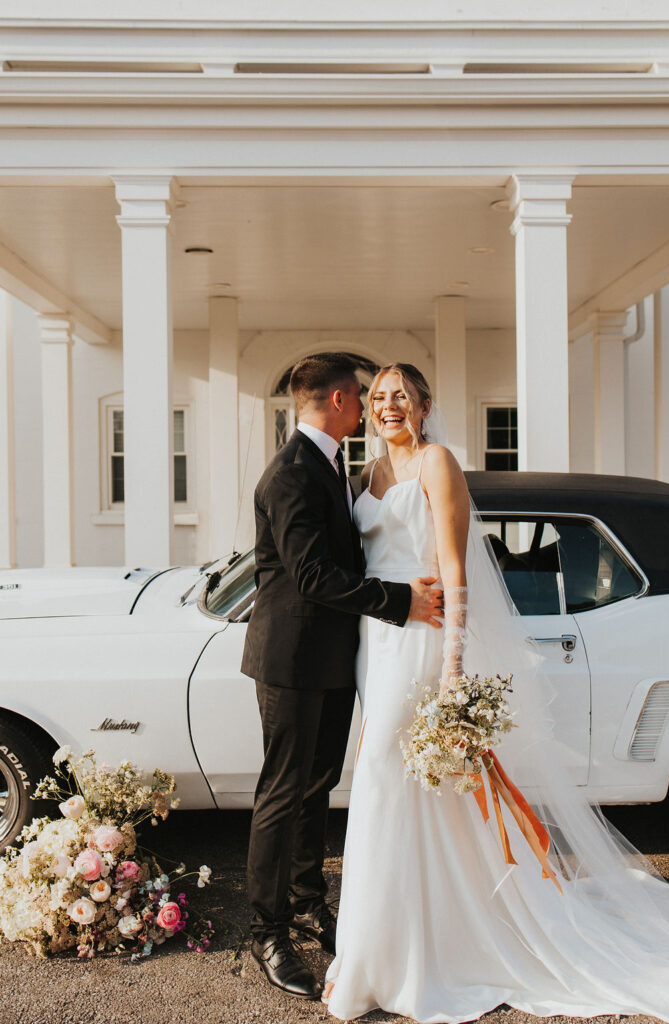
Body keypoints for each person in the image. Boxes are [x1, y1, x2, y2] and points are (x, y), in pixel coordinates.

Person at [323, 362, 669, 1024]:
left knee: (377, 778)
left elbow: (456, 569)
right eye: (377, 397)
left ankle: (386, 958)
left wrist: (453, 667)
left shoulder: (437, 463)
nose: (387, 405)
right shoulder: (365, 477)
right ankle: (404, 939)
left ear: (424, 405)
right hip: (376, 645)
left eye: (400, 395)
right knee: (399, 790)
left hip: (425, 642)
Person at [241, 353, 444, 1001]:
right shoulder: (291, 473)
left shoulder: (332, 465)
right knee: (282, 792)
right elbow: (310, 577)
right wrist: (399, 601)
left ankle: (306, 904)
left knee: (315, 787)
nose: (366, 405)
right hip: (292, 660)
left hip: (332, 658)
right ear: (335, 399)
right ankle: (268, 931)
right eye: (359, 396)